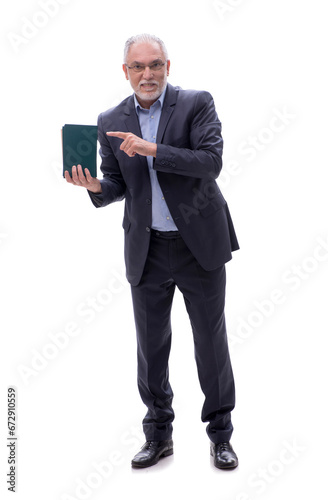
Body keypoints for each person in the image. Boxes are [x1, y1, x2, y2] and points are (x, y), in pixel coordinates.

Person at [65, 33, 240, 470]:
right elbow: (117, 184)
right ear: (125, 71)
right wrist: (95, 189)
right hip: (147, 250)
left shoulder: (197, 103)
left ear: (168, 66)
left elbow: (210, 162)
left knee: (210, 343)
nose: (148, 74)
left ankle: (220, 436)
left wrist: (154, 150)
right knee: (151, 347)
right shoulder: (109, 119)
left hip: (199, 246)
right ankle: (159, 436)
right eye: (138, 67)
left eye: (155, 65)